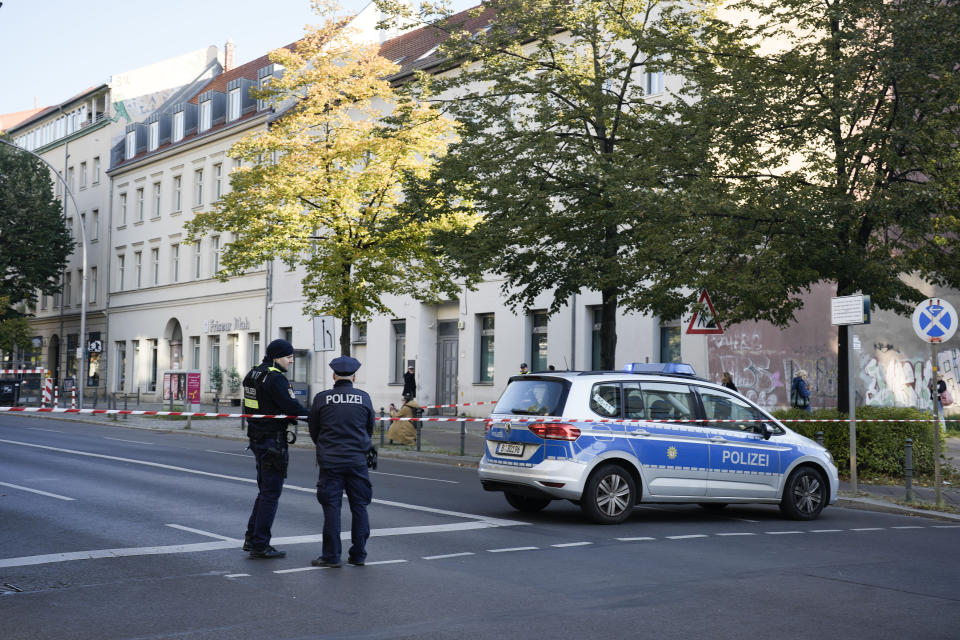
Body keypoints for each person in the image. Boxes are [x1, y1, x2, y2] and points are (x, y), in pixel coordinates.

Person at [241, 338, 308, 559]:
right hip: (272, 441)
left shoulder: (253, 374)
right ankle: (260, 544)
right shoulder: (276, 378)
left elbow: (252, 406)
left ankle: (252, 539)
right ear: (277, 357)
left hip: (257, 437)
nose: (291, 361)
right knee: (271, 493)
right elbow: (292, 407)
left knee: (264, 491)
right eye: (289, 357)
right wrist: (318, 416)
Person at [309, 355, 375, 568]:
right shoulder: (364, 398)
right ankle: (359, 554)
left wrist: (325, 445)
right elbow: (369, 429)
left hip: (330, 462)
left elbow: (314, 430)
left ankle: (331, 556)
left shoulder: (321, 398)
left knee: (331, 507)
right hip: (357, 461)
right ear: (354, 377)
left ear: (333, 375)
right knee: (360, 507)